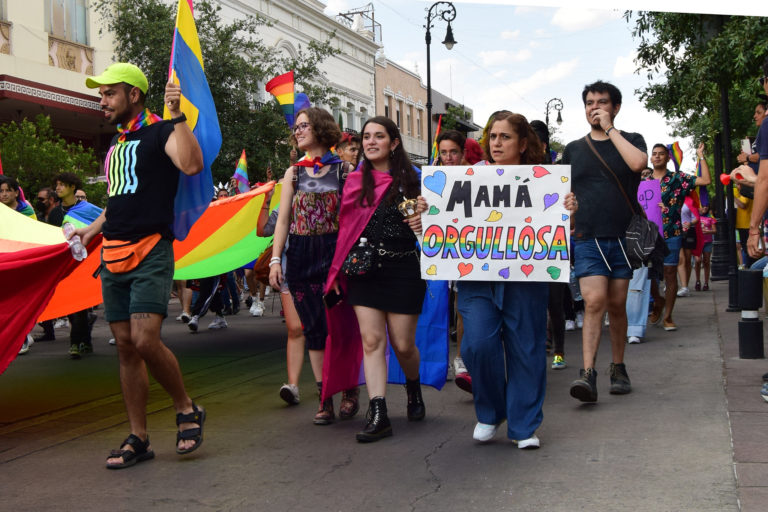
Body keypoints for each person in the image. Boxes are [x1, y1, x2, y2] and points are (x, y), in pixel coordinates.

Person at [78, 62, 206, 469]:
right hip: (112, 251)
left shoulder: (161, 131)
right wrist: (91, 230)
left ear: (133, 95)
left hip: (151, 248)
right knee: (127, 349)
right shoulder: (116, 143)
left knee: (146, 339)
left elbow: (191, 165)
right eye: (100, 94)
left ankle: (186, 408)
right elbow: (118, 197)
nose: (102, 101)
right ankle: (140, 437)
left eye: (109, 93)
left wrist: (177, 116)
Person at [447, 111, 577, 447]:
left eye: (505, 137)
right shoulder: (469, 177)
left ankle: (523, 426)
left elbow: (559, 228)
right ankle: (490, 411)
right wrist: (425, 212)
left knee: (526, 348)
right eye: (492, 137)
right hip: (476, 278)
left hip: (525, 278)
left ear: (522, 143)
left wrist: (569, 211)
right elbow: (446, 224)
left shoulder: (543, 180)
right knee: (476, 345)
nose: (497, 143)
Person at [327, 116, 427, 442]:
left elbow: (436, 232)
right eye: (366, 136)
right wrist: (339, 270)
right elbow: (346, 231)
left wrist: (425, 222)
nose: (370, 142)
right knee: (372, 341)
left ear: (393, 142)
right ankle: (379, 410)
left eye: (378, 136)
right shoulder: (354, 182)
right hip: (364, 270)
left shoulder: (417, 182)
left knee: (403, 344)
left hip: (403, 269)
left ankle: (413, 387)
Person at [269, 107, 359, 425]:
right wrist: (277, 258)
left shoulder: (345, 171)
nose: (298, 131)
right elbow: (282, 222)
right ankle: (325, 397)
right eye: (297, 127)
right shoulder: (293, 173)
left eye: (304, 125)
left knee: (342, 326)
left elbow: (354, 219)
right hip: (301, 257)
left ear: (320, 128)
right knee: (313, 330)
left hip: (335, 256)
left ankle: (349, 390)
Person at [562, 81, 647, 403]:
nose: (594, 108)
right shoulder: (573, 149)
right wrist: (569, 211)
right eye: (589, 103)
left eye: (602, 102)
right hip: (587, 237)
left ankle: (618, 366)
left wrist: (610, 129)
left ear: (615, 107)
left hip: (624, 238)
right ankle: (587, 373)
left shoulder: (632, 141)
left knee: (616, 305)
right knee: (594, 301)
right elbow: (559, 194)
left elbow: (638, 164)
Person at [647, 143, 710, 330]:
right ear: (651, 158)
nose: (657, 157)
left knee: (670, 274)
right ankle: (658, 300)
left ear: (668, 158)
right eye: (654, 154)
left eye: (661, 154)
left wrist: (701, 156)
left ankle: (668, 316)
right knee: (650, 275)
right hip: (650, 235)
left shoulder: (677, 178)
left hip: (672, 232)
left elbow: (705, 180)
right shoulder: (644, 182)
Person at [257, 184, 306, 405]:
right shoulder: (285, 205)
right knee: (295, 329)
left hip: (322, 268)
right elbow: (263, 230)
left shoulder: (330, 195)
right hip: (290, 269)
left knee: (323, 328)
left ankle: (329, 383)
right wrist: (266, 201)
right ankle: (293, 385)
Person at [435, 129, 473, 392]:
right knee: (451, 308)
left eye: (453, 152)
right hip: (445, 251)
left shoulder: (478, 175)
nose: (448, 158)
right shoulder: (432, 178)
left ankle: (465, 359)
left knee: (466, 308)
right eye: (444, 153)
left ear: (463, 152)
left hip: (474, 249)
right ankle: (452, 360)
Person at [55, 172, 97, 358]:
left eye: (62, 184)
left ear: (73, 187)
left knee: (78, 305)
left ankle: (74, 343)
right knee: (72, 304)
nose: (58, 188)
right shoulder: (55, 212)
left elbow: (102, 225)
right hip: (64, 264)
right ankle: (85, 340)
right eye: (56, 185)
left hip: (84, 262)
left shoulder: (87, 209)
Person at [695, 203, 715, 291]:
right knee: (698, 260)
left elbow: (715, 231)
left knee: (706, 261)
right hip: (698, 242)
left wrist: (708, 231)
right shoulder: (695, 216)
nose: (705, 208)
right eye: (703, 206)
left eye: (706, 206)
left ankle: (706, 282)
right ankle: (697, 280)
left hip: (707, 242)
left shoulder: (710, 217)